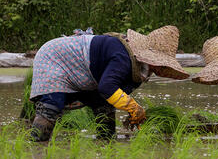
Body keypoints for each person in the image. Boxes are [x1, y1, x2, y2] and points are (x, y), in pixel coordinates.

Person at [30, 25, 189, 141]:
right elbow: (107, 87)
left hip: (87, 71)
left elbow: (110, 93)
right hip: (55, 58)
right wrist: (133, 107)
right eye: (160, 65)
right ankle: (37, 146)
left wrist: (131, 113)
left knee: (104, 107)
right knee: (52, 104)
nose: (160, 69)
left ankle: (106, 143)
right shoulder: (123, 58)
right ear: (150, 59)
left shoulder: (139, 69)